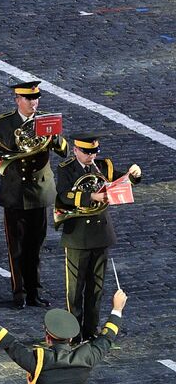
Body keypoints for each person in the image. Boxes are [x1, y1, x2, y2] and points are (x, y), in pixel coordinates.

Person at [0, 82, 69, 308]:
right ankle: (18, 292)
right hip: (15, 191)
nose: (34, 102)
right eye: (29, 99)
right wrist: (0, 158)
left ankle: (35, 292)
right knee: (17, 247)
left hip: (40, 191)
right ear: (18, 100)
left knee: (35, 246)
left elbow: (64, 150)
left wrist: (55, 138)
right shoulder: (5, 122)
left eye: (36, 98)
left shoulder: (45, 121)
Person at [54, 136, 141, 339]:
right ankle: (73, 333)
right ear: (75, 150)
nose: (91, 156)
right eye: (86, 152)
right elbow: (63, 194)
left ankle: (90, 331)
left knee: (96, 289)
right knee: (75, 292)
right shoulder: (66, 168)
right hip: (77, 235)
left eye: (94, 152)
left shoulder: (103, 166)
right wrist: (90, 197)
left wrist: (134, 175)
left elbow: (122, 180)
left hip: (100, 235)